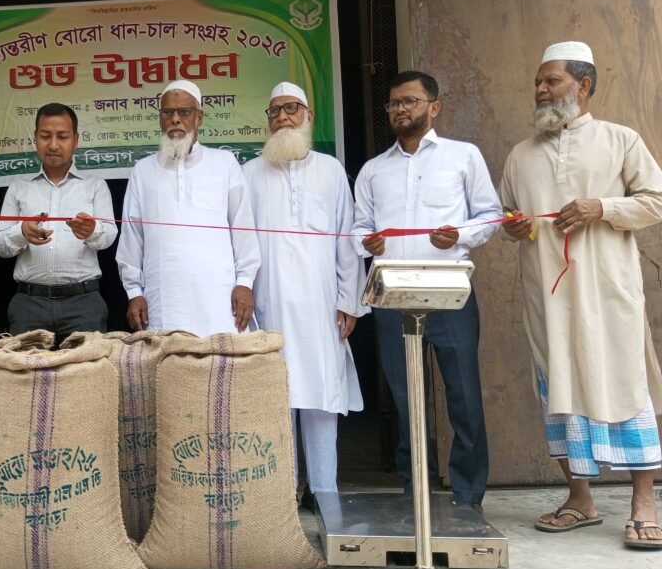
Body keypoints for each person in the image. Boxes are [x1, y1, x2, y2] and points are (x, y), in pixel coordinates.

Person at [500, 41, 662, 549]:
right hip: (548, 298)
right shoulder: (521, 155)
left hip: (607, 292)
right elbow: (508, 216)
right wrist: (515, 226)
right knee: (560, 391)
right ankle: (580, 499)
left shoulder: (621, 140)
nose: (541, 89)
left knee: (626, 384)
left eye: (552, 81)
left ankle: (644, 503)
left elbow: (656, 200)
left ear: (583, 85)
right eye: (538, 82)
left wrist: (602, 208)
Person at [352, 70, 502, 510]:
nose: (401, 109)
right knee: (406, 399)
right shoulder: (373, 170)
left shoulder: (463, 156)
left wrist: (459, 235)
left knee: (463, 396)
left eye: (410, 101)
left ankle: (468, 496)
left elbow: (491, 215)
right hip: (392, 296)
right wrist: (366, 242)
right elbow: (358, 227)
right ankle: (415, 491)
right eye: (394, 103)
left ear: (434, 107)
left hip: (450, 292)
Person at [243, 82, 368, 498]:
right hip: (268, 305)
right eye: (274, 110)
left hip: (321, 306)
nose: (282, 117)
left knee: (320, 397)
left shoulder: (330, 170)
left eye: (291, 108)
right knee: (276, 400)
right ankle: (283, 495)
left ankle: (324, 491)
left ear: (308, 116)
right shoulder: (249, 173)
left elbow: (346, 240)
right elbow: (241, 243)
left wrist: (349, 301)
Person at [117, 79, 260, 335]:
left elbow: (243, 228)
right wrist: (134, 292)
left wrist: (245, 283)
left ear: (198, 118)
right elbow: (132, 237)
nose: (175, 119)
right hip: (163, 300)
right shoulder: (143, 170)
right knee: (168, 357)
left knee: (221, 358)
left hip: (220, 298)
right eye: (167, 113)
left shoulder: (224, 163)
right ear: (160, 119)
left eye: (184, 112)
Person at [0, 103, 117, 343]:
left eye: (62, 136)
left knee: (86, 367)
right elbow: (0, 246)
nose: (53, 145)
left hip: (84, 302)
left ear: (75, 139)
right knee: (24, 367)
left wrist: (92, 231)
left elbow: (110, 235)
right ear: (35, 138)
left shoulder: (95, 186)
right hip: (30, 303)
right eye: (45, 136)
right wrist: (21, 232)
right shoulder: (19, 188)